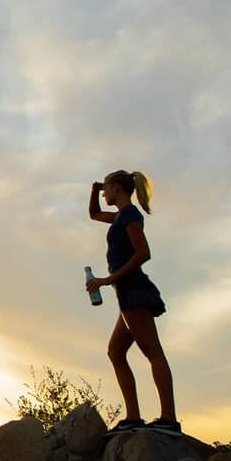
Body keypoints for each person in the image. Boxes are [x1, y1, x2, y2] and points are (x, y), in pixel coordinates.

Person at [86, 170, 179, 436]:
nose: (104, 192)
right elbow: (94, 214)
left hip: (136, 292)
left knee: (153, 352)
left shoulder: (129, 215)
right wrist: (93, 191)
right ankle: (133, 417)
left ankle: (169, 420)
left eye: (106, 188)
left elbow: (143, 252)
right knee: (116, 352)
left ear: (117, 187)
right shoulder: (119, 218)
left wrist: (107, 280)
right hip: (126, 296)